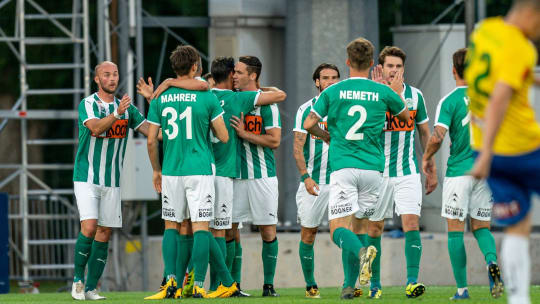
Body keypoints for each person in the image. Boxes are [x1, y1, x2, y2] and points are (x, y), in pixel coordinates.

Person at [303, 37, 410, 299]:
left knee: (338, 229)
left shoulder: (333, 91)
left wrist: (325, 135)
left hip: (344, 167)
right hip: (373, 169)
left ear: (348, 62)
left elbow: (308, 124)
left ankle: (362, 255)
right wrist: (394, 93)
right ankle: (350, 287)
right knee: (361, 228)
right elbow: (406, 118)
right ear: (372, 63)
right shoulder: (382, 91)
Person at [145, 45, 238, 299]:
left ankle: (171, 283)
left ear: (174, 68)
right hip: (199, 169)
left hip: (172, 169)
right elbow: (224, 135)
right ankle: (197, 284)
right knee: (201, 227)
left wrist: (156, 170)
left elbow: (152, 141)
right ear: (196, 67)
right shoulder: (206, 96)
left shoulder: (160, 98)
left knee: (171, 226)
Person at [465, 1, 540, 303]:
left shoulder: (485, 31)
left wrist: (484, 154)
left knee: (517, 225)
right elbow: (499, 98)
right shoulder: (520, 47)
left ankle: (519, 300)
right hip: (523, 149)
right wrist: (487, 153)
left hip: (488, 152)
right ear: (532, 14)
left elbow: (496, 77)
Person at [71, 61, 159, 300]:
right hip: (86, 176)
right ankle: (78, 280)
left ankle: (91, 288)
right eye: (106, 75)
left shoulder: (128, 109)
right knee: (89, 227)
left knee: (104, 232)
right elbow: (96, 129)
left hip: (112, 180)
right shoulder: (88, 104)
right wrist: (117, 113)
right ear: (97, 80)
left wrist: (154, 102)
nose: (112, 78)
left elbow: (155, 132)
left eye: (115, 74)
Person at [356, 46, 436, 299]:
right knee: (375, 227)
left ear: (404, 69)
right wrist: (384, 96)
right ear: (380, 68)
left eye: (398, 66)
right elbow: (364, 131)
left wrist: (430, 164)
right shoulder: (370, 93)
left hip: (407, 170)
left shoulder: (416, 95)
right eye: (389, 66)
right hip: (377, 172)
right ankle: (375, 284)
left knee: (411, 222)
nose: (394, 70)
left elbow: (424, 131)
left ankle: (412, 281)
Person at [423, 48, 502, 300]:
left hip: (459, 172)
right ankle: (491, 262)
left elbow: (437, 136)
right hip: (485, 172)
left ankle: (461, 289)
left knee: (455, 231)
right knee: (482, 227)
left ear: (453, 71)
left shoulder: (449, 101)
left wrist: (427, 157)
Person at [228, 55, 282, 297]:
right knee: (230, 229)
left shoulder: (268, 105)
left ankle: (268, 286)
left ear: (253, 75)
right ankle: (233, 285)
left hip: (263, 176)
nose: (234, 75)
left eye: (239, 72)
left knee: (268, 231)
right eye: (233, 72)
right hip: (235, 177)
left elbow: (275, 141)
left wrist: (244, 134)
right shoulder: (231, 99)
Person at [293, 63, 340, 298]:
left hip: (342, 181)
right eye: (325, 78)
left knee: (341, 231)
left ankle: (353, 283)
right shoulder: (306, 109)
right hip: (314, 182)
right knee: (308, 233)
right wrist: (306, 177)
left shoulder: (345, 107)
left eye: (334, 77)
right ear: (317, 82)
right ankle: (311, 285)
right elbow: (297, 148)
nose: (330, 81)